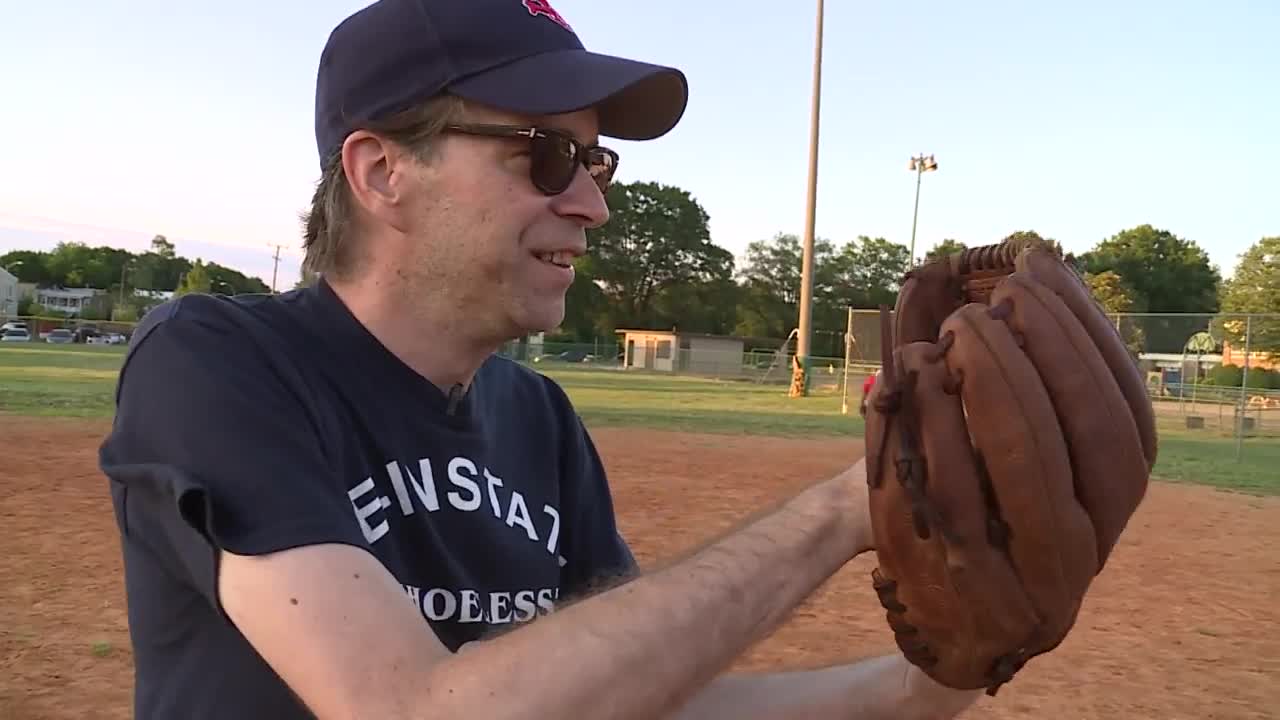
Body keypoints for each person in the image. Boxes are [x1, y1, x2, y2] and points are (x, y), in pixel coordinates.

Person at [98, 1, 984, 718]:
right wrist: (836, 514)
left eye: (596, 161)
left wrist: (929, 688)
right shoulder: (219, 361)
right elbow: (406, 709)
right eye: (548, 157)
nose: (592, 204)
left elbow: (630, 700)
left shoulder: (537, 417)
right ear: (380, 173)